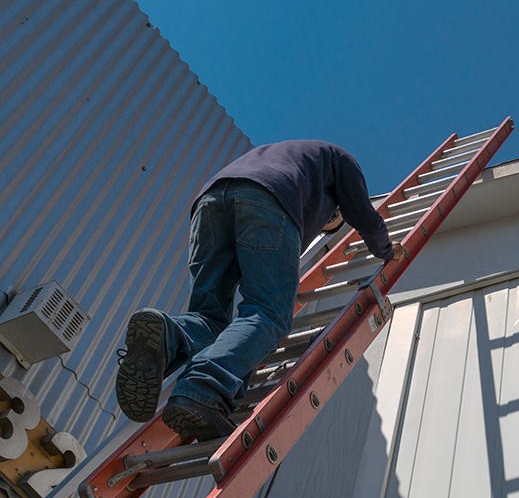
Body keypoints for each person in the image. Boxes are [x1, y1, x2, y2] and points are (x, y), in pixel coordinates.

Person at [114, 140, 404, 442]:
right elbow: (363, 214)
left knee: (209, 317)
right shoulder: (341, 159)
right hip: (268, 199)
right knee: (268, 313)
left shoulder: (289, 154)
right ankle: (203, 388)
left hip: (209, 202)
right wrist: (385, 249)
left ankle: (168, 336)